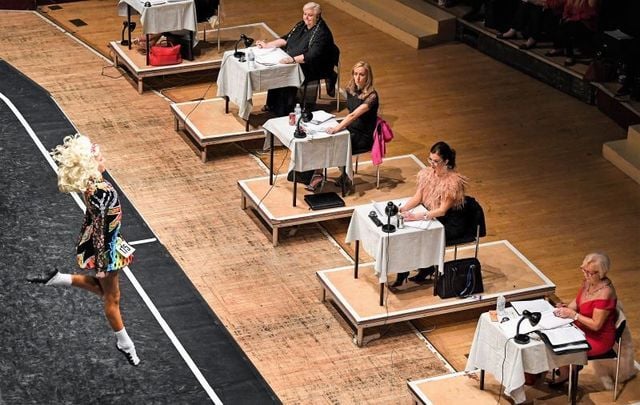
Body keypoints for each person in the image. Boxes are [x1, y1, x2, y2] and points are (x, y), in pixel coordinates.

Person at [27, 134, 140, 367]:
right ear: (89, 163)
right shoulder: (102, 190)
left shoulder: (91, 185)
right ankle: (125, 343)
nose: (102, 158)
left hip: (103, 243)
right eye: (99, 156)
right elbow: (101, 230)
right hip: (106, 249)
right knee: (112, 298)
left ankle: (58, 279)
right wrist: (101, 263)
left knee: (106, 291)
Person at [392, 141, 468, 287]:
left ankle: (426, 267)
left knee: (417, 234)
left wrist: (415, 217)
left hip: (448, 221)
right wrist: (402, 210)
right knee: (405, 232)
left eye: (436, 161)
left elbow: (442, 211)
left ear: (446, 161)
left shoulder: (452, 182)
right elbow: (418, 198)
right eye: (430, 160)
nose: (432, 164)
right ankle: (404, 269)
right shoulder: (427, 174)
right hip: (430, 215)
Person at [303, 61, 380, 192]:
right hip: (350, 129)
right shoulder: (350, 89)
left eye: (361, 75)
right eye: (355, 74)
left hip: (363, 135)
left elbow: (353, 115)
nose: (358, 78)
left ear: (368, 77)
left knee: (334, 142)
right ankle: (318, 173)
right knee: (324, 139)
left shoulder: (372, 96)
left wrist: (337, 128)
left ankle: (344, 175)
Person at [256, 2, 339, 116]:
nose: (306, 17)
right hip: (296, 59)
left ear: (318, 16)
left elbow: (311, 56)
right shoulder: (301, 25)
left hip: (315, 66)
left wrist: (292, 60)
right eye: (305, 14)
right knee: (277, 68)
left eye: (310, 15)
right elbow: (286, 39)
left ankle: (284, 109)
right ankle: (272, 105)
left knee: (286, 72)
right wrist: (268, 45)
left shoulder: (322, 33)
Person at [550, 252, 617, 385]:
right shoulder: (588, 282)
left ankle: (566, 374)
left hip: (598, 337)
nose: (586, 275)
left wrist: (573, 315)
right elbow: (577, 301)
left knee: (562, 345)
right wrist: (565, 309)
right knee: (553, 334)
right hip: (581, 326)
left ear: (601, 273)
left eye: (590, 273)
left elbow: (596, 325)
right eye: (584, 271)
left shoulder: (605, 293)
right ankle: (566, 368)